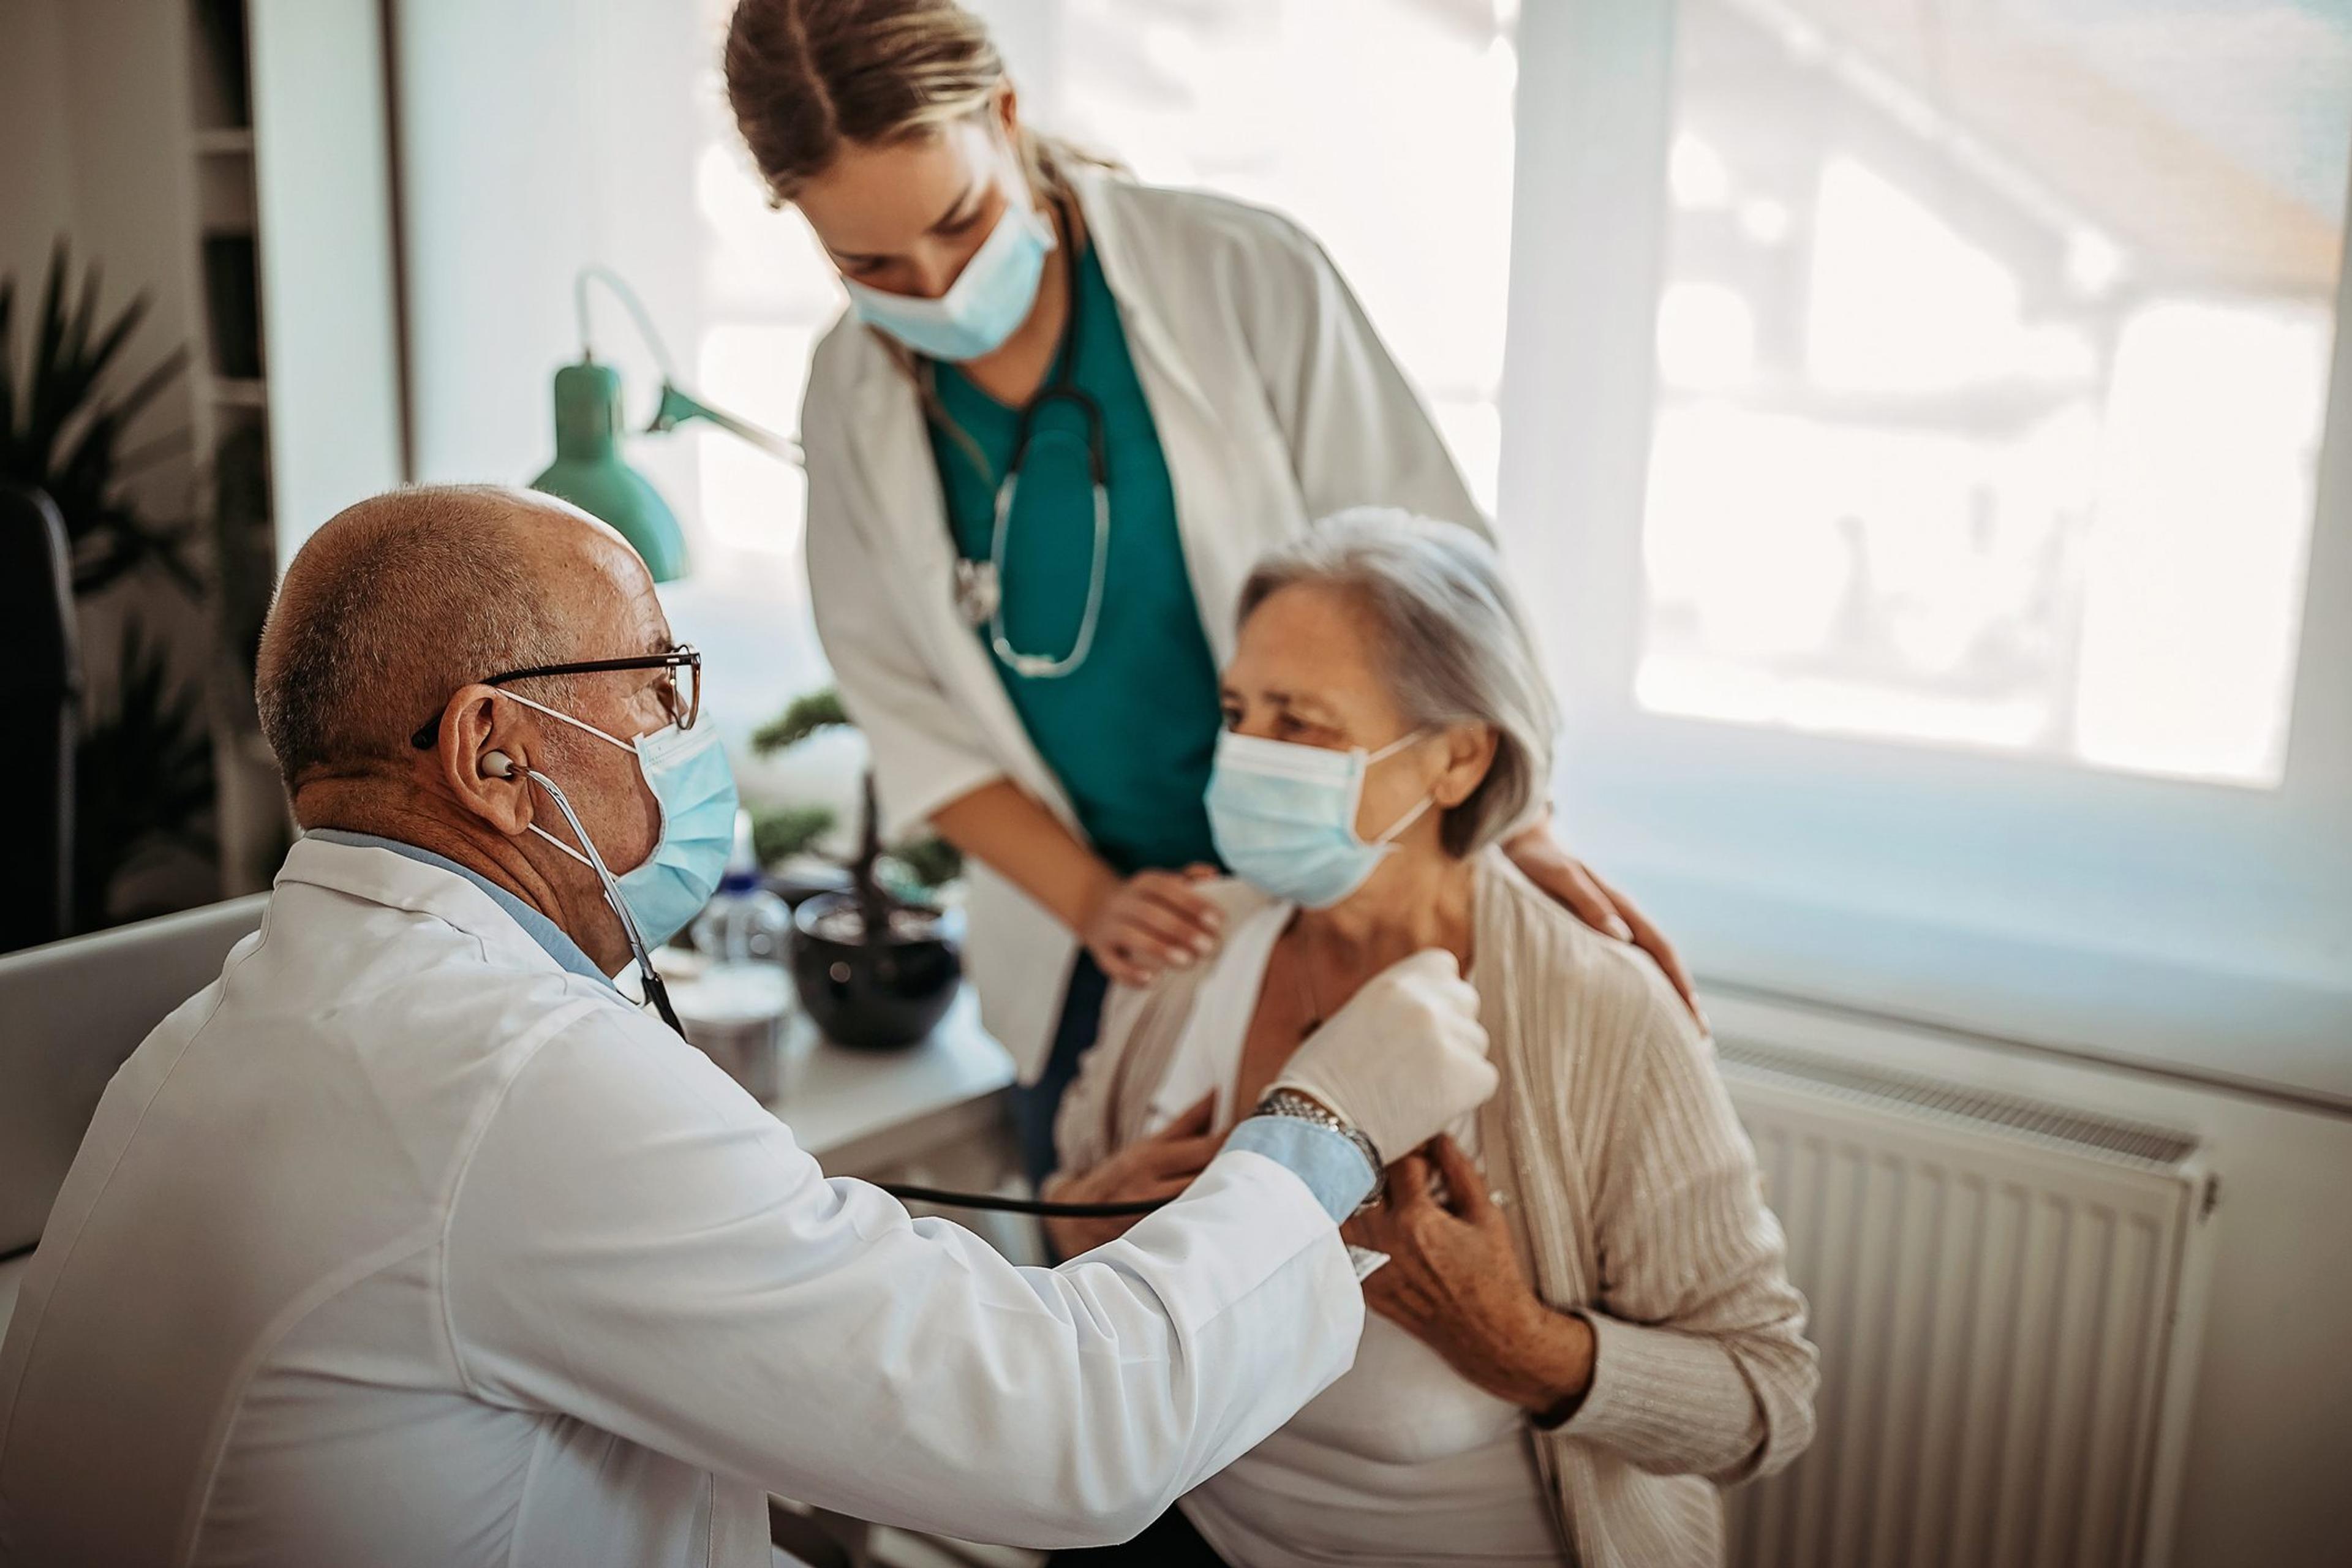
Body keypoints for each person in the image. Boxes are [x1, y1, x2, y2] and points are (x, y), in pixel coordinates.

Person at [0, 487, 1506, 1568]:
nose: (688, 732)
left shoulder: (212, 1032)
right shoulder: (515, 1078)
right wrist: (1324, 1125)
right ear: (494, 750)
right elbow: (1063, 1430)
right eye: (657, 685)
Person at [722, 0, 1697, 1181]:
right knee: (1121, 1295)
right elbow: (899, 702)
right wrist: (1091, 900)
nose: (932, 290)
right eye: (867, 263)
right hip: (1120, 944)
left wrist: (1515, 821)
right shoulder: (848, 393)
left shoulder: (1242, 274)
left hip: (1357, 882)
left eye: (961, 221)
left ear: (1007, 115)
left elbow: (1434, 569)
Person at [1046, 513, 1819, 1568]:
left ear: (1456, 756)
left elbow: (1761, 1400)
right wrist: (1076, 1237)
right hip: (1188, 1528)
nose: (1245, 757)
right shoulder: (1191, 941)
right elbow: (1067, 1216)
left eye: (1302, 724)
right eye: (1237, 712)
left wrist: (1520, 1345)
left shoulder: (1603, 1014)